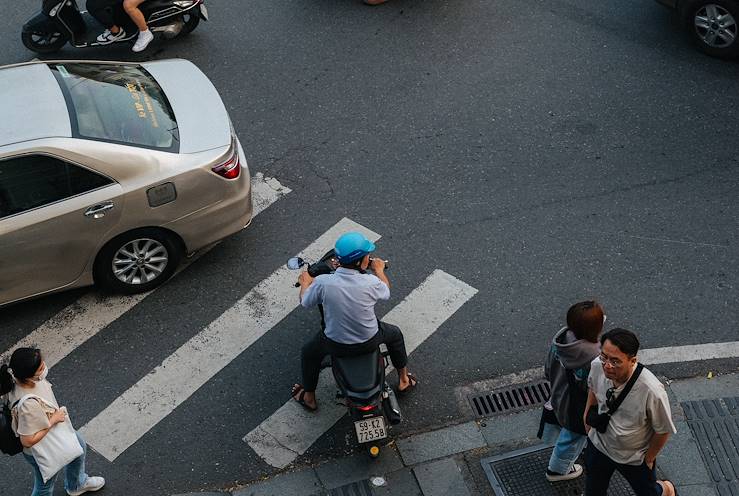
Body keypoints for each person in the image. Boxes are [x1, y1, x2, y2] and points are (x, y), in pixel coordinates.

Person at [291, 232, 417, 411]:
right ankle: (404, 380)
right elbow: (386, 292)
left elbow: (305, 302)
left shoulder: (323, 282)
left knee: (309, 353)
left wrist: (305, 282)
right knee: (395, 335)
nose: (369, 258)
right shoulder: (371, 282)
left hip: (335, 344)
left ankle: (309, 397)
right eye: (367, 256)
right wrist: (379, 270)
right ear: (360, 261)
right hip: (370, 340)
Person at [584, 328, 677, 496]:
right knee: (593, 491)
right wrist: (587, 424)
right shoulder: (597, 365)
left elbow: (663, 430)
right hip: (598, 445)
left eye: (615, 361)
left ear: (632, 360)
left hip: (633, 458)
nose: (607, 366)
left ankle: (667, 489)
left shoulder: (652, 390)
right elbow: (593, 390)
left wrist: (648, 459)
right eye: (604, 356)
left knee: (648, 493)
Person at [0, 348, 105, 496]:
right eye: (41, 367)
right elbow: (27, 441)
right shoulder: (28, 405)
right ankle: (76, 484)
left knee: (79, 447)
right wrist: (53, 420)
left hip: (55, 430)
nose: (44, 367)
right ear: (29, 376)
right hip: (41, 448)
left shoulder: (17, 378)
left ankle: (77, 484)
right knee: (44, 488)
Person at [539, 301, 605, 482]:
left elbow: (547, 369)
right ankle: (558, 470)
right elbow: (594, 387)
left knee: (566, 427)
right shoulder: (594, 356)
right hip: (577, 407)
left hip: (558, 395)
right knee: (573, 437)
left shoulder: (561, 340)